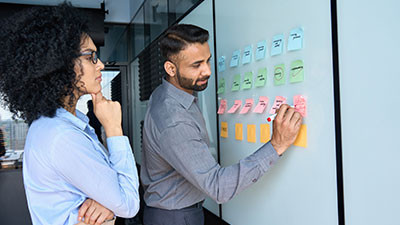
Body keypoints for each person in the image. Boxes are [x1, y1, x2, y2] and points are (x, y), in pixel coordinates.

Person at [140, 24, 303, 225]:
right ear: (170, 68)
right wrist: (276, 145)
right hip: (175, 217)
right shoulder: (174, 119)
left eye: (207, 61)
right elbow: (218, 187)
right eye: (196, 65)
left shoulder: (167, 93)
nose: (207, 71)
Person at [0, 4, 139, 225]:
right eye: (91, 56)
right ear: (60, 63)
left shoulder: (63, 124)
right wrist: (114, 129)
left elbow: (110, 187)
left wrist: (107, 201)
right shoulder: (61, 137)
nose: (100, 65)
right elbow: (129, 204)